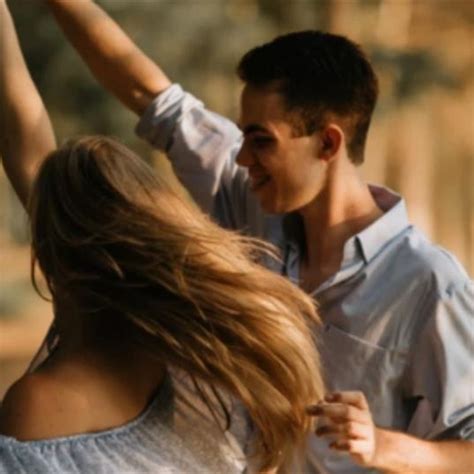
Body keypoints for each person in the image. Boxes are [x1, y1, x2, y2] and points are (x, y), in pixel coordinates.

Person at [15, 0, 474, 473]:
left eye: (261, 141)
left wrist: (381, 446)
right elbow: (146, 92)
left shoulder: (429, 285)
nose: (241, 158)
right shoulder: (251, 203)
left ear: (328, 143)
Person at [0, 1, 326, 472]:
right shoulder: (195, 366)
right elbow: (23, 140)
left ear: (58, 247)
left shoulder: (38, 405)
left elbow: (24, 144)